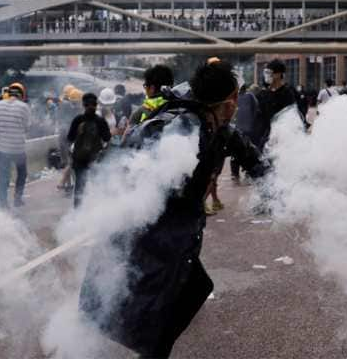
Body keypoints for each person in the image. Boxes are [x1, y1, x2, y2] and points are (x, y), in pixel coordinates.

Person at [79, 59, 266, 359]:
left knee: (180, 296)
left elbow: (250, 155)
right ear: (228, 102)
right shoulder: (180, 125)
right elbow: (128, 161)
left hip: (178, 233)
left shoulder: (216, 124)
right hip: (157, 233)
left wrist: (281, 188)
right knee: (159, 304)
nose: (237, 104)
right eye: (234, 98)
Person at [0, 82, 30, 208]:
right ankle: (17, 199)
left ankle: (3, 203)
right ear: (21, 94)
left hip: (2, 148)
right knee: (22, 174)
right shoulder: (24, 107)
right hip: (18, 149)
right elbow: (27, 127)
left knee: (3, 177)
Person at [67, 93, 111, 207]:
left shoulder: (78, 119)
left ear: (83, 105)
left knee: (79, 187)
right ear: (96, 105)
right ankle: (94, 211)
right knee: (97, 185)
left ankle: (78, 213)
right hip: (95, 160)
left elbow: (70, 138)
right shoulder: (100, 121)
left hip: (79, 160)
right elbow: (107, 138)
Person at [256, 59, 304, 150]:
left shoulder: (288, 93)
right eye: (265, 72)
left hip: (281, 141)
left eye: (269, 72)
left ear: (278, 75)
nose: (266, 75)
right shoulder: (263, 94)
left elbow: (291, 117)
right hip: (265, 138)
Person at [231, 84, 262, 182]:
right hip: (238, 129)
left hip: (248, 129)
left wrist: (253, 123)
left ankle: (248, 173)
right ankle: (235, 173)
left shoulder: (250, 96)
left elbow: (256, 109)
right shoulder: (233, 98)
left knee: (248, 151)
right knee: (236, 151)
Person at [56, 86, 83, 192]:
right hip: (69, 137)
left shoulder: (63, 104)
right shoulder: (73, 108)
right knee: (72, 162)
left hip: (62, 135)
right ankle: (66, 184)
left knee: (67, 162)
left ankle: (68, 186)